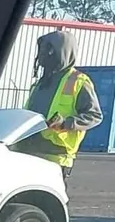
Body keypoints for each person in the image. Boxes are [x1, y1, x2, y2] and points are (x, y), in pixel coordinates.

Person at [12, 29, 101, 179]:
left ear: (63, 52)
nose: (43, 55)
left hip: (56, 156)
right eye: (42, 50)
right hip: (27, 152)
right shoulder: (40, 83)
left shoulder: (78, 81)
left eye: (49, 50)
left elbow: (94, 115)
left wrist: (66, 123)